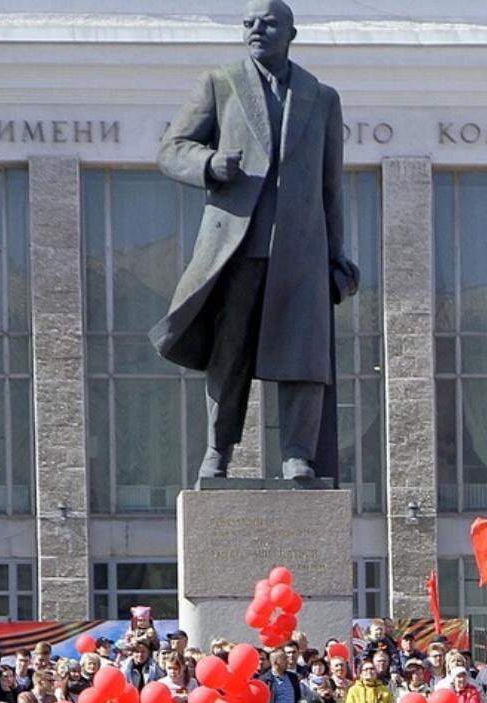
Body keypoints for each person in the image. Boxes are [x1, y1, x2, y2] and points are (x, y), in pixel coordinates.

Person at [150, 0, 359, 482]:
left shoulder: (321, 97)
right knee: (230, 354)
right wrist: (208, 164)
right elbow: (171, 149)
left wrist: (336, 257)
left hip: (301, 251)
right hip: (239, 247)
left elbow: (331, 186)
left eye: (268, 23)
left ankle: (297, 456)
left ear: (291, 32)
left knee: (303, 357)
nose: (256, 30)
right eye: (248, 23)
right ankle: (218, 452)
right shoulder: (220, 83)